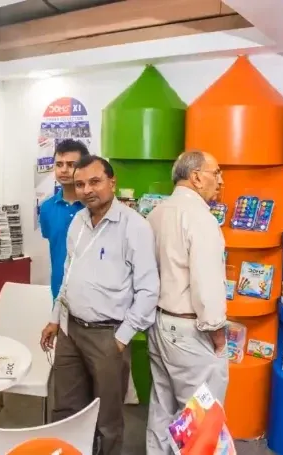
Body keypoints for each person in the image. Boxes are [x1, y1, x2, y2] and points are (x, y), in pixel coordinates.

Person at [39, 155, 160, 455]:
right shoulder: (78, 222)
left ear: (112, 182)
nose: (87, 190)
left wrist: (121, 338)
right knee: (66, 410)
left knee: (107, 420)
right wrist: (55, 318)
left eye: (95, 182)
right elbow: (68, 275)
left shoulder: (134, 226)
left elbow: (148, 290)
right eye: (80, 184)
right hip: (69, 330)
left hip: (108, 336)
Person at [145, 151, 229, 454]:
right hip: (189, 328)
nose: (220, 181)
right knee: (201, 414)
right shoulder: (200, 218)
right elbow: (207, 284)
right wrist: (217, 332)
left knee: (162, 403)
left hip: (158, 321)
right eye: (215, 173)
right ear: (196, 177)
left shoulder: (156, 213)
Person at [39, 139, 90, 302]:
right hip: (59, 290)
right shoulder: (47, 208)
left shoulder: (94, 206)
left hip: (93, 293)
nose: (64, 170)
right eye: (59, 164)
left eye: (71, 164)